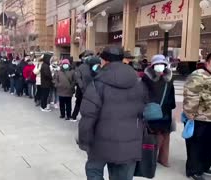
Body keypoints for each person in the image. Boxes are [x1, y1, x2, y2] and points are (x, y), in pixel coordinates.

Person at [78, 46, 147, 180]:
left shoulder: (97, 83)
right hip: (130, 142)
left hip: (100, 141)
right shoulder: (137, 82)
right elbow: (143, 111)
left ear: (104, 60)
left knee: (94, 171)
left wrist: (84, 140)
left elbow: (88, 115)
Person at [183, 52, 211, 180]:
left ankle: (204, 167)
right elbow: (191, 95)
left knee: (210, 145)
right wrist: (190, 114)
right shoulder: (198, 75)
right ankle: (194, 170)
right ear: (207, 63)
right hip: (200, 118)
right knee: (196, 145)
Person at [142, 54, 176, 167]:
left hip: (166, 111)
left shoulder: (169, 78)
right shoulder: (147, 77)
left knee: (165, 134)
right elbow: (143, 93)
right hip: (152, 110)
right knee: (153, 135)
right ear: (152, 65)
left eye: (162, 64)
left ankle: (163, 159)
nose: (160, 66)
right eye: (157, 64)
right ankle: (150, 159)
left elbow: (172, 94)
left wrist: (171, 106)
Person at [72, 51, 99, 120]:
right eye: (88, 56)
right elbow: (78, 78)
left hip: (90, 89)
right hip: (81, 89)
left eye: (91, 56)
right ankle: (74, 116)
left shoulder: (93, 66)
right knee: (78, 103)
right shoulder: (80, 66)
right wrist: (82, 87)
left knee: (89, 104)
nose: (90, 57)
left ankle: (86, 117)